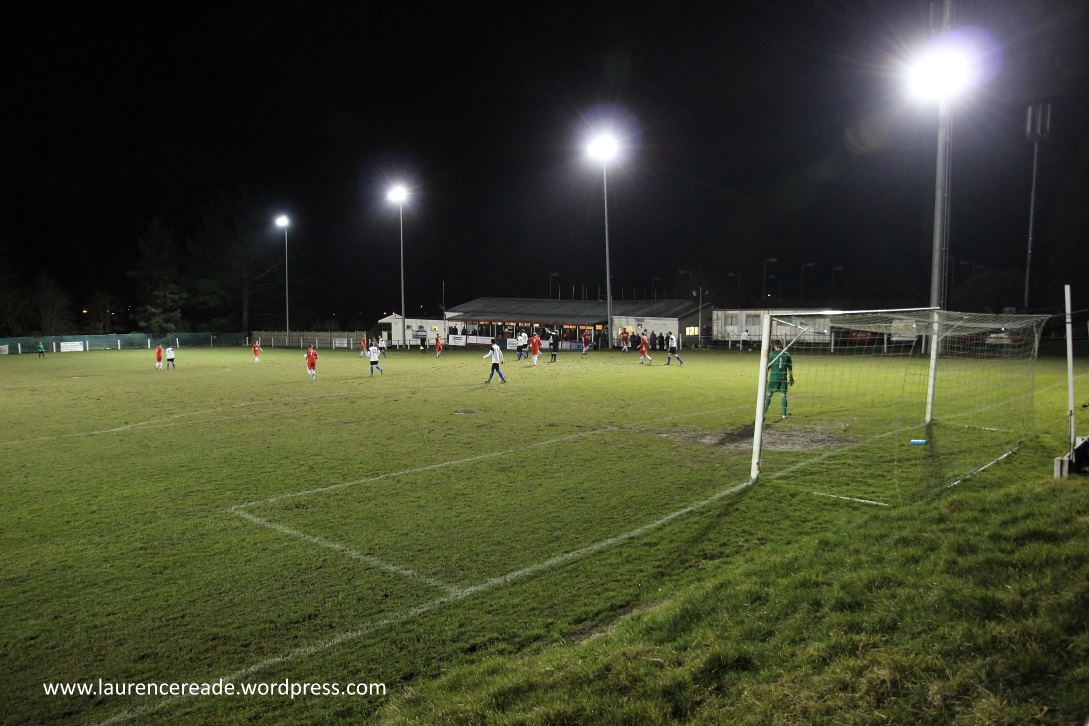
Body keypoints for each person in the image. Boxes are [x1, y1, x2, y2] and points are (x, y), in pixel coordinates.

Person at [764, 340, 794, 419]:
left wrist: (765, 377)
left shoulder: (772, 354)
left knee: (769, 395)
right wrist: (791, 378)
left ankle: (764, 413)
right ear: (780, 345)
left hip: (773, 378)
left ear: (774, 346)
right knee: (783, 395)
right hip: (783, 378)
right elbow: (790, 368)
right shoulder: (786, 354)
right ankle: (784, 415)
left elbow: (767, 367)